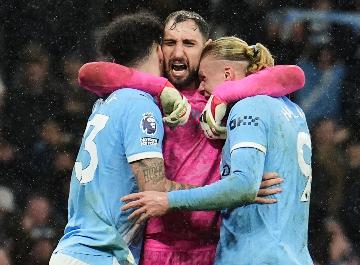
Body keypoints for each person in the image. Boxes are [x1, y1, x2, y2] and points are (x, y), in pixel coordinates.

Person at [78, 10, 306, 265]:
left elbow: (294, 76)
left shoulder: (219, 92)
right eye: (170, 43)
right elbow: (88, 73)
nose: (178, 53)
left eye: (188, 44)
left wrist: (226, 95)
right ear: (159, 49)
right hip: (158, 246)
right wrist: (159, 87)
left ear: (206, 48)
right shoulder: (147, 92)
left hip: (212, 246)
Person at [50, 12, 195, 265]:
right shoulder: (140, 105)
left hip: (74, 250)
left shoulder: (105, 102)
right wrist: (222, 191)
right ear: (158, 50)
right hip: (99, 256)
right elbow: (155, 189)